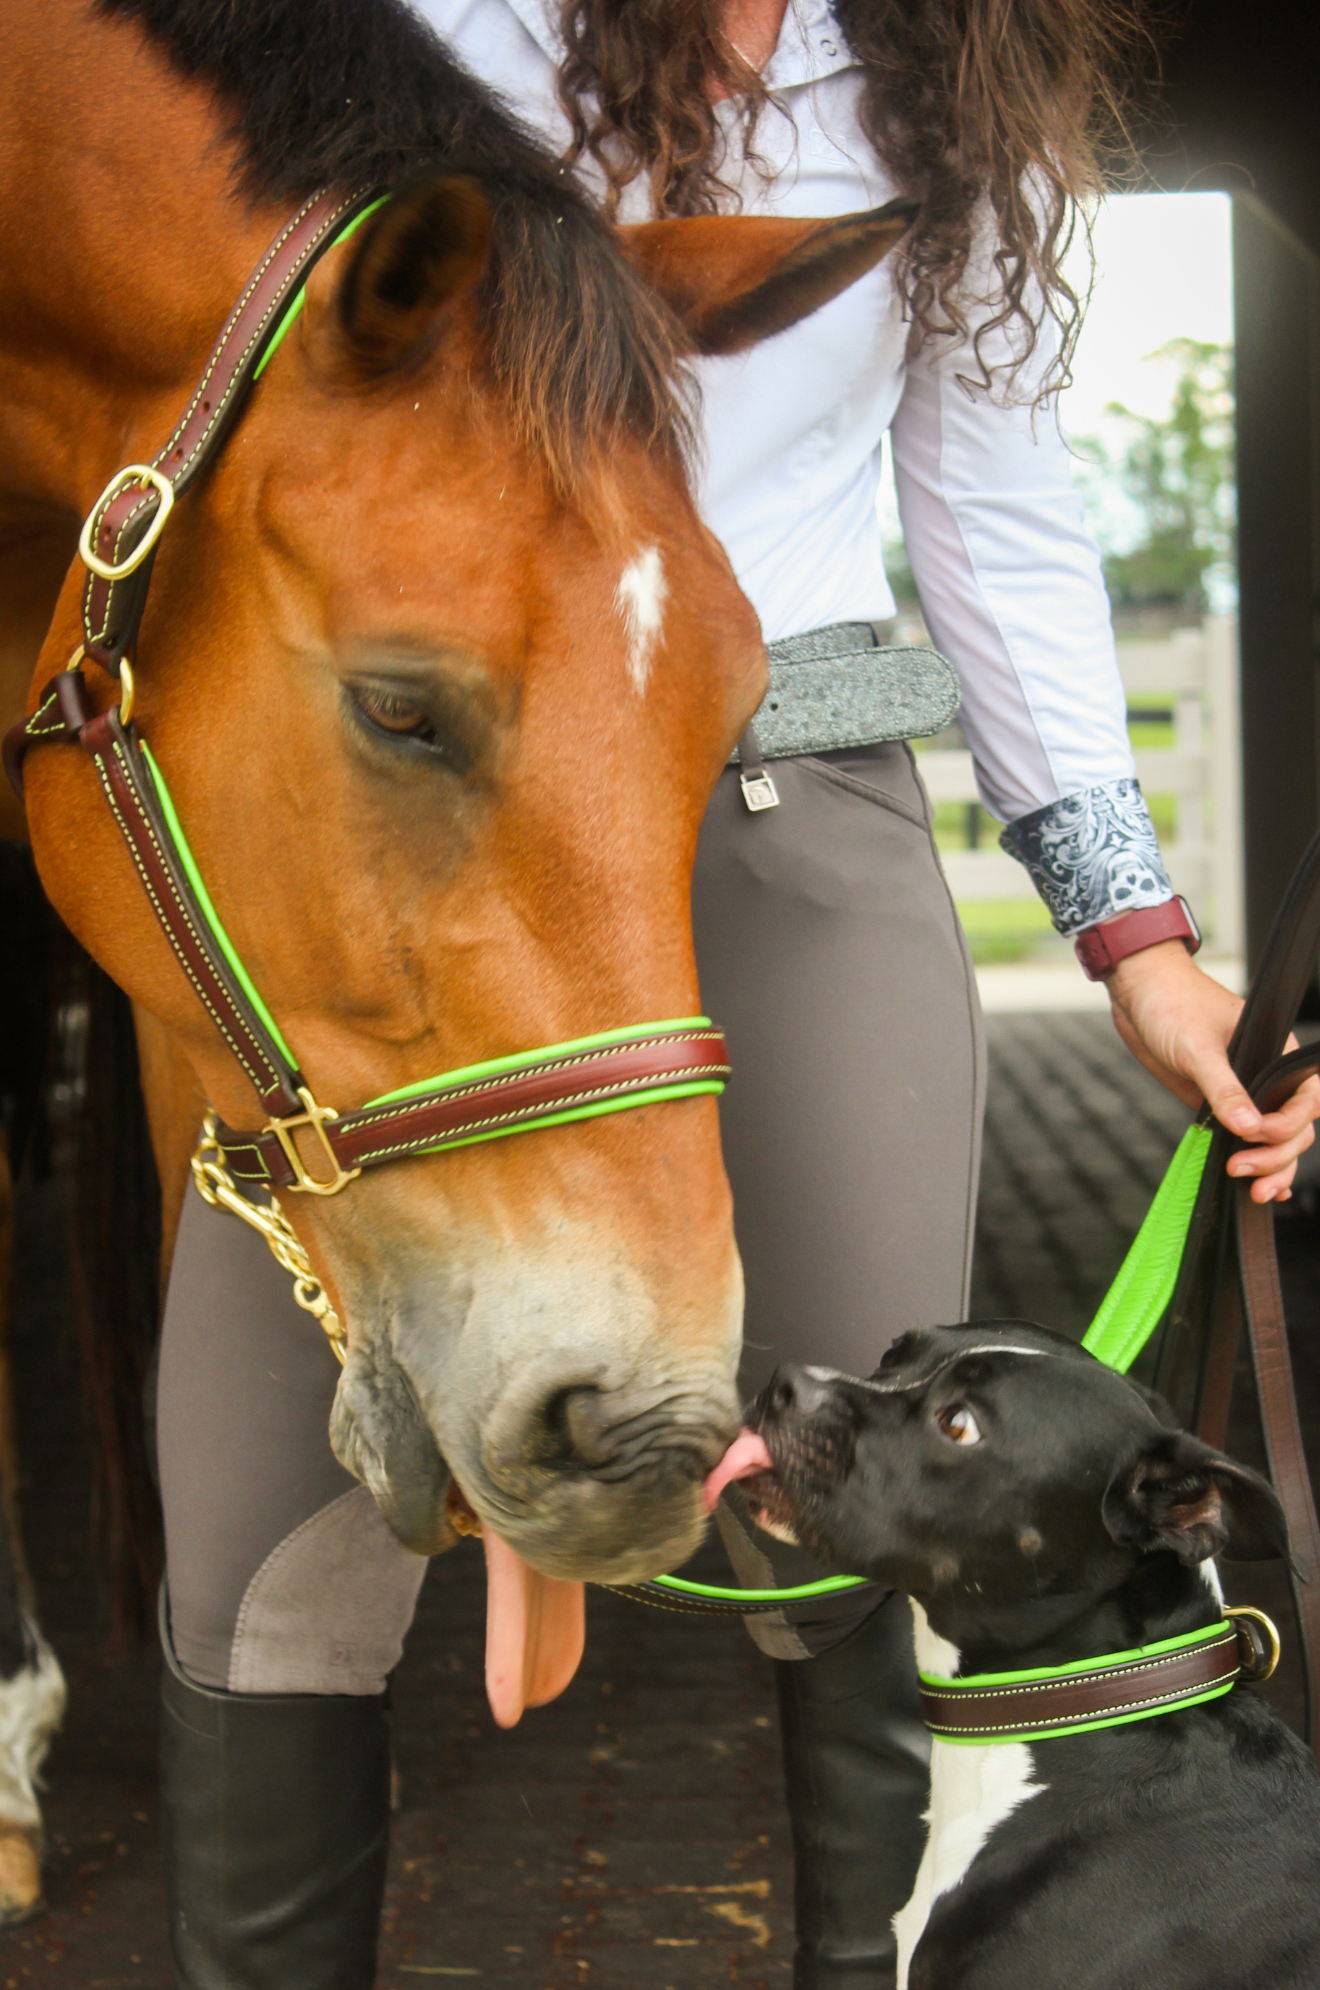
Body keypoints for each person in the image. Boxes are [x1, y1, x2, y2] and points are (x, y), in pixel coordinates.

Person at [154, 1, 1320, 1986]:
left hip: (797, 820)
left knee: (872, 1512)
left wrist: (1135, 932)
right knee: (271, 1552)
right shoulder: (415, 31)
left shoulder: (961, 86)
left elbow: (999, 523)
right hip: (414, 833)